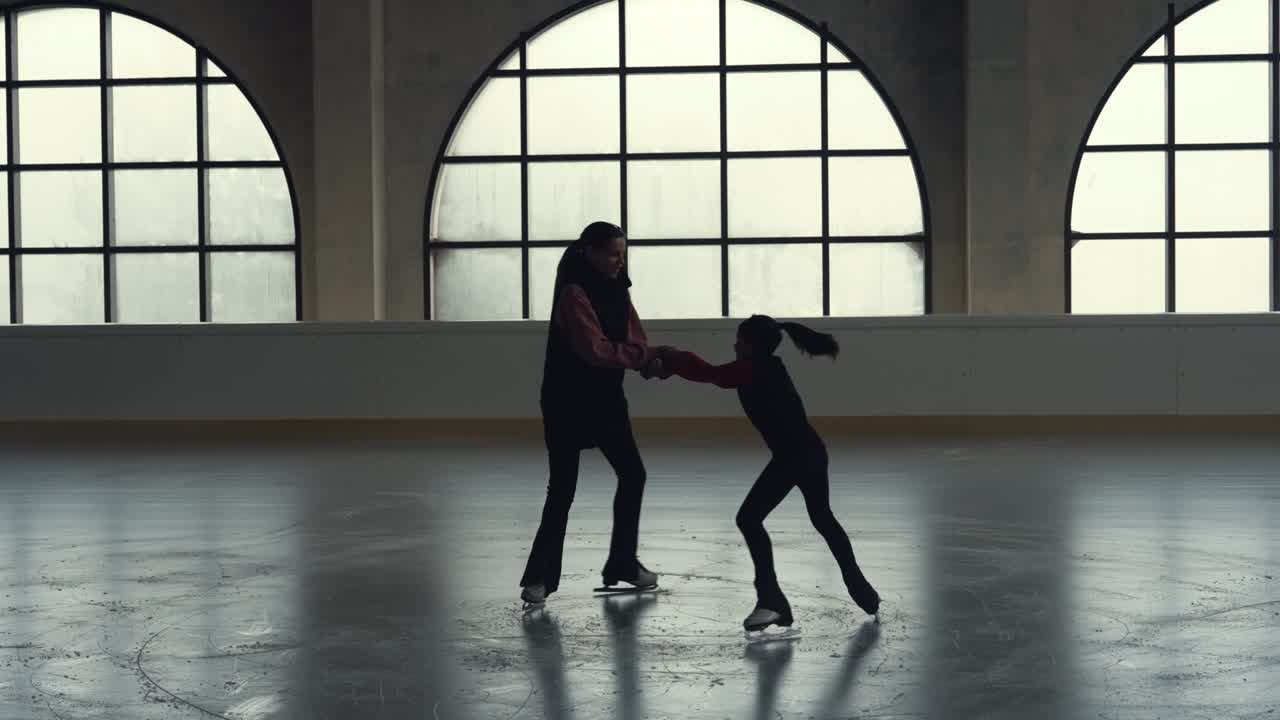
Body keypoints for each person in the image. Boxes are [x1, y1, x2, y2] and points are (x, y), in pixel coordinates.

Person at [652, 315, 880, 631]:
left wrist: (674, 357)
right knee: (822, 518)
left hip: (794, 457)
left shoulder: (753, 368)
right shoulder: (766, 366)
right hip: (812, 451)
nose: (734, 345)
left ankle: (772, 600)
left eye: (739, 340)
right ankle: (862, 589)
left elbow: (712, 375)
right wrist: (673, 364)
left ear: (750, 345)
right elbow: (714, 375)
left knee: (749, 519)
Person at [520, 221, 665, 606]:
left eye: (623, 253)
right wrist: (642, 358)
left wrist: (646, 358)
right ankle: (539, 579)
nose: (620, 261)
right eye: (614, 254)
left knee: (633, 475)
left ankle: (622, 563)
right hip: (567, 401)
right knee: (562, 490)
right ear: (591, 251)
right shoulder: (573, 293)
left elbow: (634, 335)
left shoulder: (619, 287)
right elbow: (595, 350)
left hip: (606, 399)